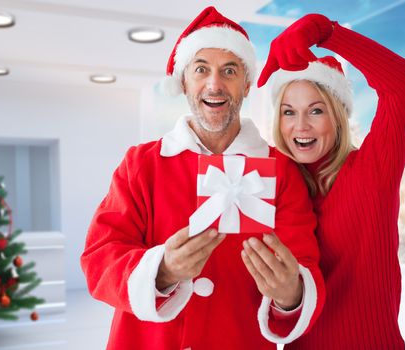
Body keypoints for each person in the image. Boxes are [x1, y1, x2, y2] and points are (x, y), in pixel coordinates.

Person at [81, 6, 326, 350]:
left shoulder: (282, 170)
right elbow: (99, 257)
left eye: (229, 70)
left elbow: (306, 265)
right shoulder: (141, 164)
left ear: (246, 84)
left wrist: (291, 294)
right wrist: (162, 270)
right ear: (184, 80)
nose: (215, 84)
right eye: (201, 69)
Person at [257, 13, 405, 349]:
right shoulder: (273, 185)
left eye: (315, 110)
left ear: (338, 115)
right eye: (289, 111)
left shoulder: (372, 171)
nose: (300, 125)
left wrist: (327, 32)